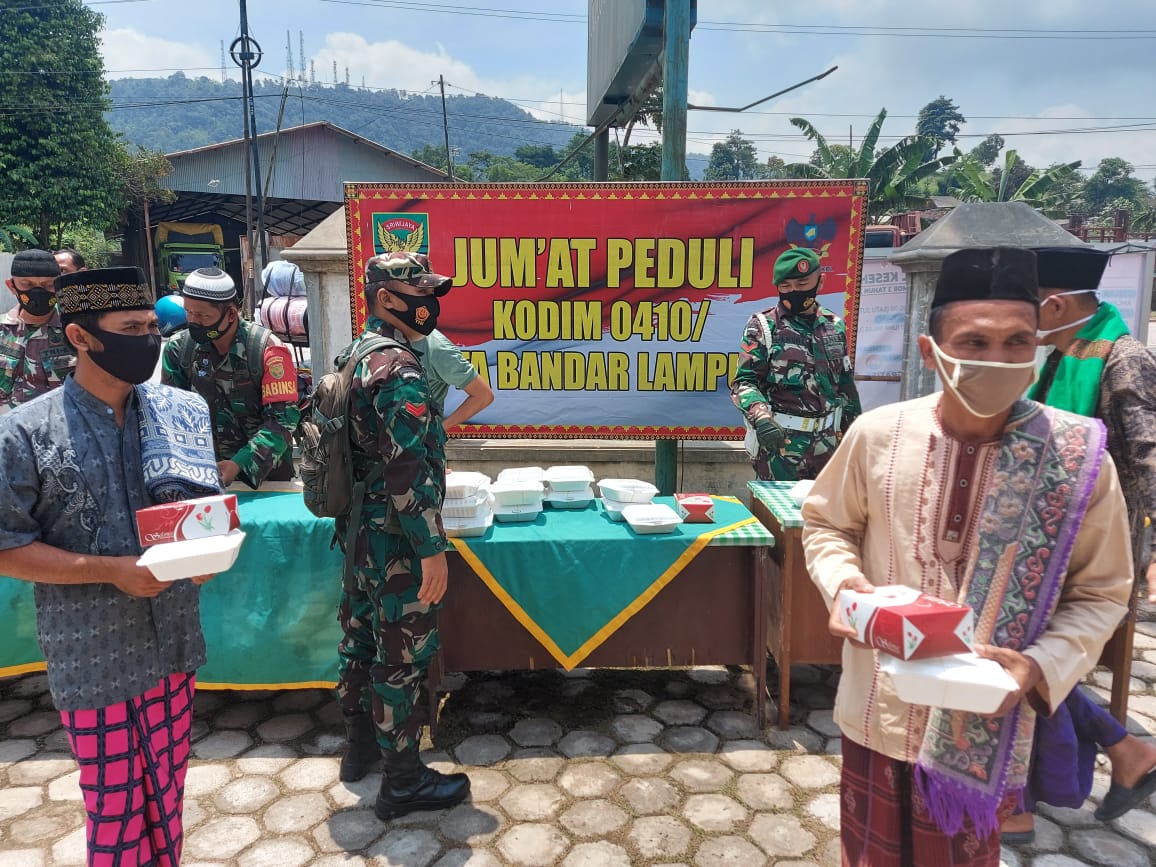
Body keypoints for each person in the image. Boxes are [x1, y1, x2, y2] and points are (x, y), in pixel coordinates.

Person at [801, 246, 1133, 866]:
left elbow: (1103, 592)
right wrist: (847, 589)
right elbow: (826, 524)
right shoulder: (879, 435)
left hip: (987, 721)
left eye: (1017, 342)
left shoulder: (1076, 457)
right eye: (975, 342)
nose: (1000, 359)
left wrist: (1038, 666)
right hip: (880, 705)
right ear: (933, 352)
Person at [0, 266, 218, 866]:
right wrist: (111, 570)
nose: (149, 339)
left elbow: (197, 514)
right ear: (80, 337)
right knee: (115, 808)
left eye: (152, 326)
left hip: (172, 642)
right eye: (131, 328)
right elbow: (7, 549)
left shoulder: (178, 410)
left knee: (168, 798)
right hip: (92, 655)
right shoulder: (24, 432)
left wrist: (205, 554)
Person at [995, 245, 1156, 840]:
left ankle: (1021, 799)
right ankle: (1124, 749)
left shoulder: (1122, 359)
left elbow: (1148, 456)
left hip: (1092, 550)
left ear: (1055, 304)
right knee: (1018, 655)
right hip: (1035, 543)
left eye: (1024, 313)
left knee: (1025, 658)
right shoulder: (1058, 357)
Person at [334, 250, 470, 821]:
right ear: (387, 298)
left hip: (359, 529)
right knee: (403, 655)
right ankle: (404, 781)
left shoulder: (354, 354)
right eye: (421, 294)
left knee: (361, 640)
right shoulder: (399, 367)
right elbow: (407, 465)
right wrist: (431, 548)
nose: (430, 304)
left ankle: (360, 747)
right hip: (396, 535)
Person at [161, 267, 301, 488]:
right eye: (189, 313)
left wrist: (238, 464)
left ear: (230, 314)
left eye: (203, 315)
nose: (194, 322)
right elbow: (171, 417)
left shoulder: (266, 349)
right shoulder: (180, 349)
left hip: (266, 482)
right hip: (202, 478)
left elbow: (283, 421)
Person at [730, 246, 861, 481]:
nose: (794, 292)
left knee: (823, 516)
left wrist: (857, 435)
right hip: (782, 445)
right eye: (785, 287)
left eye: (802, 285)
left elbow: (845, 386)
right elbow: (744, 383)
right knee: (776, 515)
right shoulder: (764, 326)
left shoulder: (834, 326)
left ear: (820, 282)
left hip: (828, 446)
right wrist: (761, 417)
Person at [1, 249, 73, 410]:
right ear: (12, 286)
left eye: (48, 285)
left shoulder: (77, 332)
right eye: (27, 285)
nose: (38, 292)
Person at [409, 328, 494, 430]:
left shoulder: (436, 348)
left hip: (412, 439)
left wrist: (439, 431)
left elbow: (483, 395)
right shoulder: (386, 334)